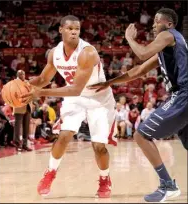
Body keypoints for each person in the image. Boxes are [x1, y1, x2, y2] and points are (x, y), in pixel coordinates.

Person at [88, 8, 188, 202]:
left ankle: (168, 185)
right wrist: (108, 83)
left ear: (168, 24)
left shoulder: (168, 35)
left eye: (156, 21)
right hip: (182, 95)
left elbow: (142, 54)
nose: (153, 25)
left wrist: (129, 38)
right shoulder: (167, 47)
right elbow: (138, 70)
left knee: (141, 135)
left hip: (183, 94)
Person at [21, 15, 116, 198]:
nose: (74, 32)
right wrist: (22, 86)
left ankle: (105, 179)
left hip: (99, 100)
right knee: (64, 136)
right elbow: (42, 79)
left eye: (77, 29)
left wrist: (40, 93)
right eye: (70, 28)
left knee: (99, 146)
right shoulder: (54, 53)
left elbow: (75, 88)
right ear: (61, 30)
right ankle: (50, 172)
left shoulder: (87, 52)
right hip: (76, 99)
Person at [13, 70, 32, 151]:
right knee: (18, 127)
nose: (22, 75)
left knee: (26, 127)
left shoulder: (28, 82)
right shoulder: (14, 83)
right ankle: (17, 145)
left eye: (23, 73)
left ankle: (25, 144)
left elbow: (32, 92)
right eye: (20, 74)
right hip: (19, 106)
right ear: (17, 75)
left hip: (28, 106)